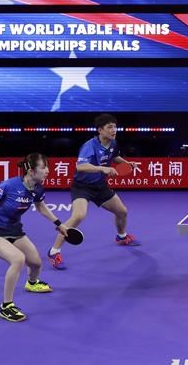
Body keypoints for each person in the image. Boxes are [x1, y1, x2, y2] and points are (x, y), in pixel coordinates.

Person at [0, 153, 68, 322]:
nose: (47, 171)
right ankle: (6, 306)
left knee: (36, 263)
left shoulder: (37, 187)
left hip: (13, 229)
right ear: (31, 170)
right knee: (18, 259)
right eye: (43, 167)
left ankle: (31, 283)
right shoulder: (9, 185)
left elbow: (41, 207)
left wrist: (59, 223)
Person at [48, 114, 142, 270]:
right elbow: (80, 166)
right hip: (82, 187)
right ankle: (54, 251)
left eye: (115, 126)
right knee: (78, 216)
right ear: (100, 130)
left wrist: (127, 163)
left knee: (122, 211)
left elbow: (115, 156)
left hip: (100, 186)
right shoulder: (89, 146)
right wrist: (102, 168)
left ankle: (121, 236)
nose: (113, 130)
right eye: (109, 127)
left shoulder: (113, 143)